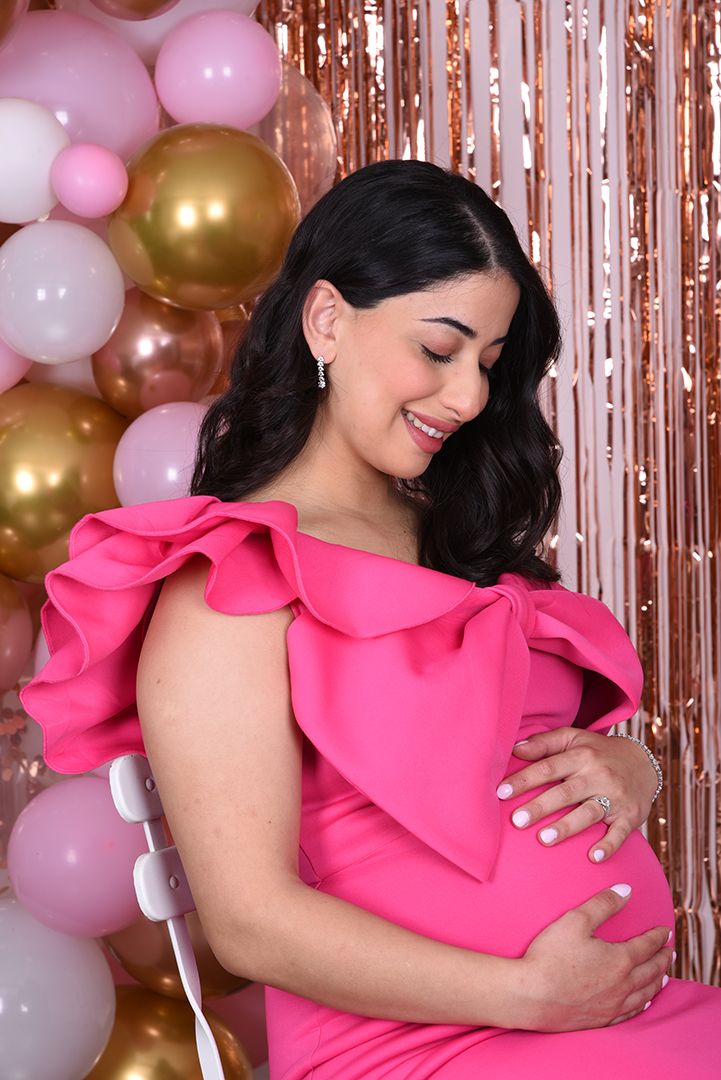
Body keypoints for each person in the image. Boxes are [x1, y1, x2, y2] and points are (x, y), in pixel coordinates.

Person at [22, 160, 721, 1078]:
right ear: (326, 320)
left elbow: (514, 751)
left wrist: (632, 769)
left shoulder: (453, 537)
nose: (469, 397)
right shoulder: (228, 585)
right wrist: (526, 993)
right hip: (424, 1047)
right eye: (438, 350)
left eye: (487, 363)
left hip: (612, 1021)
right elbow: (249, 923)